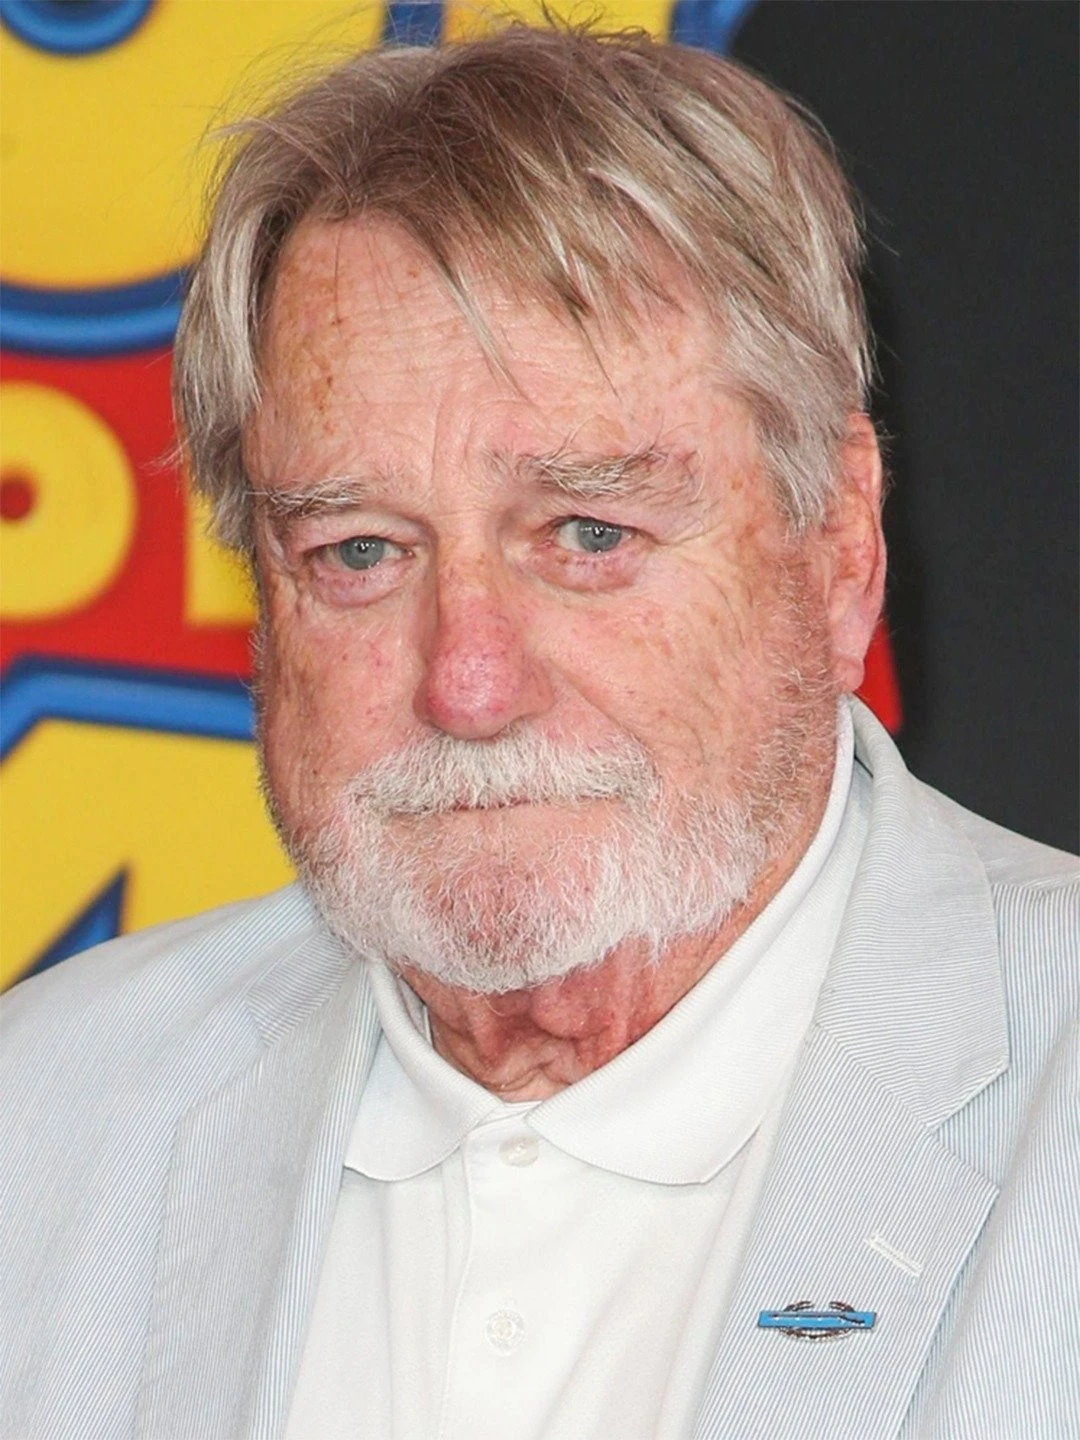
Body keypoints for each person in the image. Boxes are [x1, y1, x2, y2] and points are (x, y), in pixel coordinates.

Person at [2, 24, 1076, 1440]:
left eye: (586, 533)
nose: (468, 683)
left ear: (838, 547)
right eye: (362, 551)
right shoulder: (43, 1120)